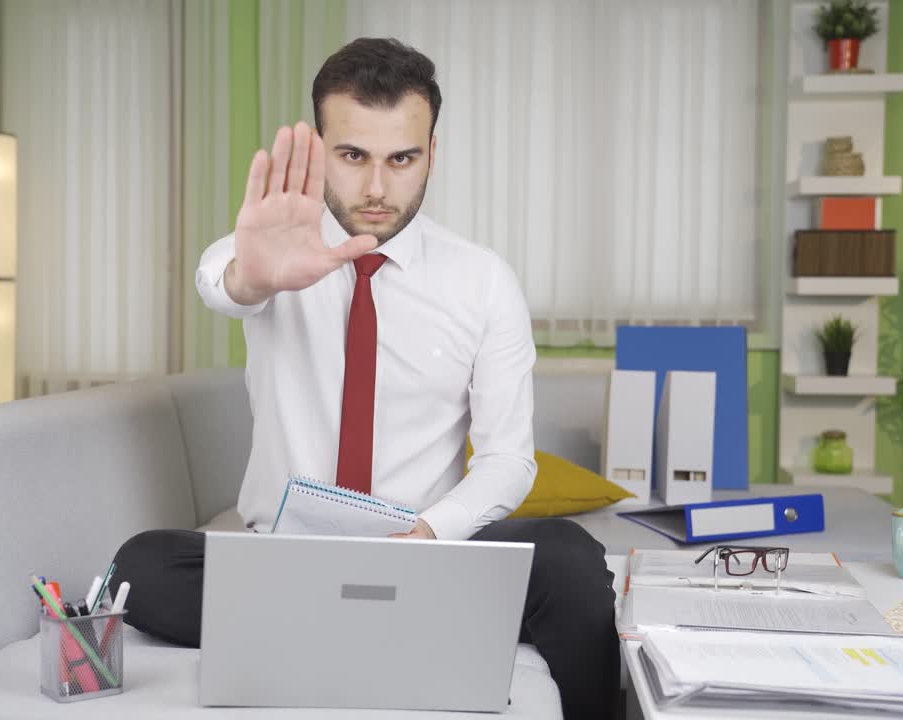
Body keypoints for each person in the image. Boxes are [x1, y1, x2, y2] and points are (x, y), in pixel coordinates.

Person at [111, 37, 618, 718]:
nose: (377, 188)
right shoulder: (276, 247)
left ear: (431, 152)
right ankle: (394, 633)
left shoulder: (482, 280)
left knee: (571, 559)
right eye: (353, 157)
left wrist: (431, 533)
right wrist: (250, 276)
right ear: (320, 148)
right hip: (286, 563)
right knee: (142, 565)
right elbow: (223, 281)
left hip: (429, 555)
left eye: (401, 159)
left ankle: (348, 630)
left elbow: (507, 461)